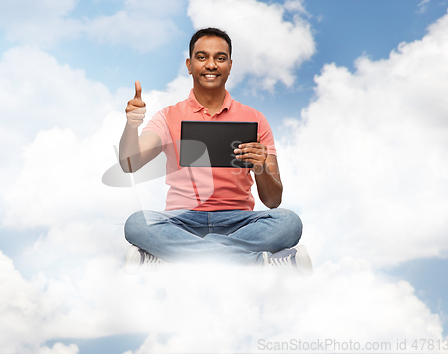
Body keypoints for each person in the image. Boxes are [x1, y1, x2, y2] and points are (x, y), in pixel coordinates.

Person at [119, 27, 312, 274]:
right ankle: (252, 261)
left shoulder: (256, 119)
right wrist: (131, 125)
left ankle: (171, 257)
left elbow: (273, 201)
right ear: (189, 65)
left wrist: (261, 167)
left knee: (289, 222)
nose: (211, 64)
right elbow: (129, 164)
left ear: (230, 65)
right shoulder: (167, 117)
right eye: (202, 57)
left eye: (220, 58)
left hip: (239, 221)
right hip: (181, 221)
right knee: (136, 224)